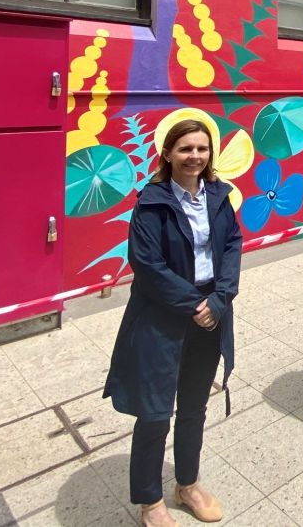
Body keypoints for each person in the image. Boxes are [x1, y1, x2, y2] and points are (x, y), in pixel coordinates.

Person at [104, 119, 243, 527]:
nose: (194, 156)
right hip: (162, 318)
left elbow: (233, 245)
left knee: (194, 407)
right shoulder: (151, 201)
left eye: (201, 149)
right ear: (167, 154)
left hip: (210, 313)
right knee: (154, 412)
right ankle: (150, 501)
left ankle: (187, 483)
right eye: (185, 149)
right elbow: (147, 265)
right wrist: (193, 304)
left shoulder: (219, 196)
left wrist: (219, 300)